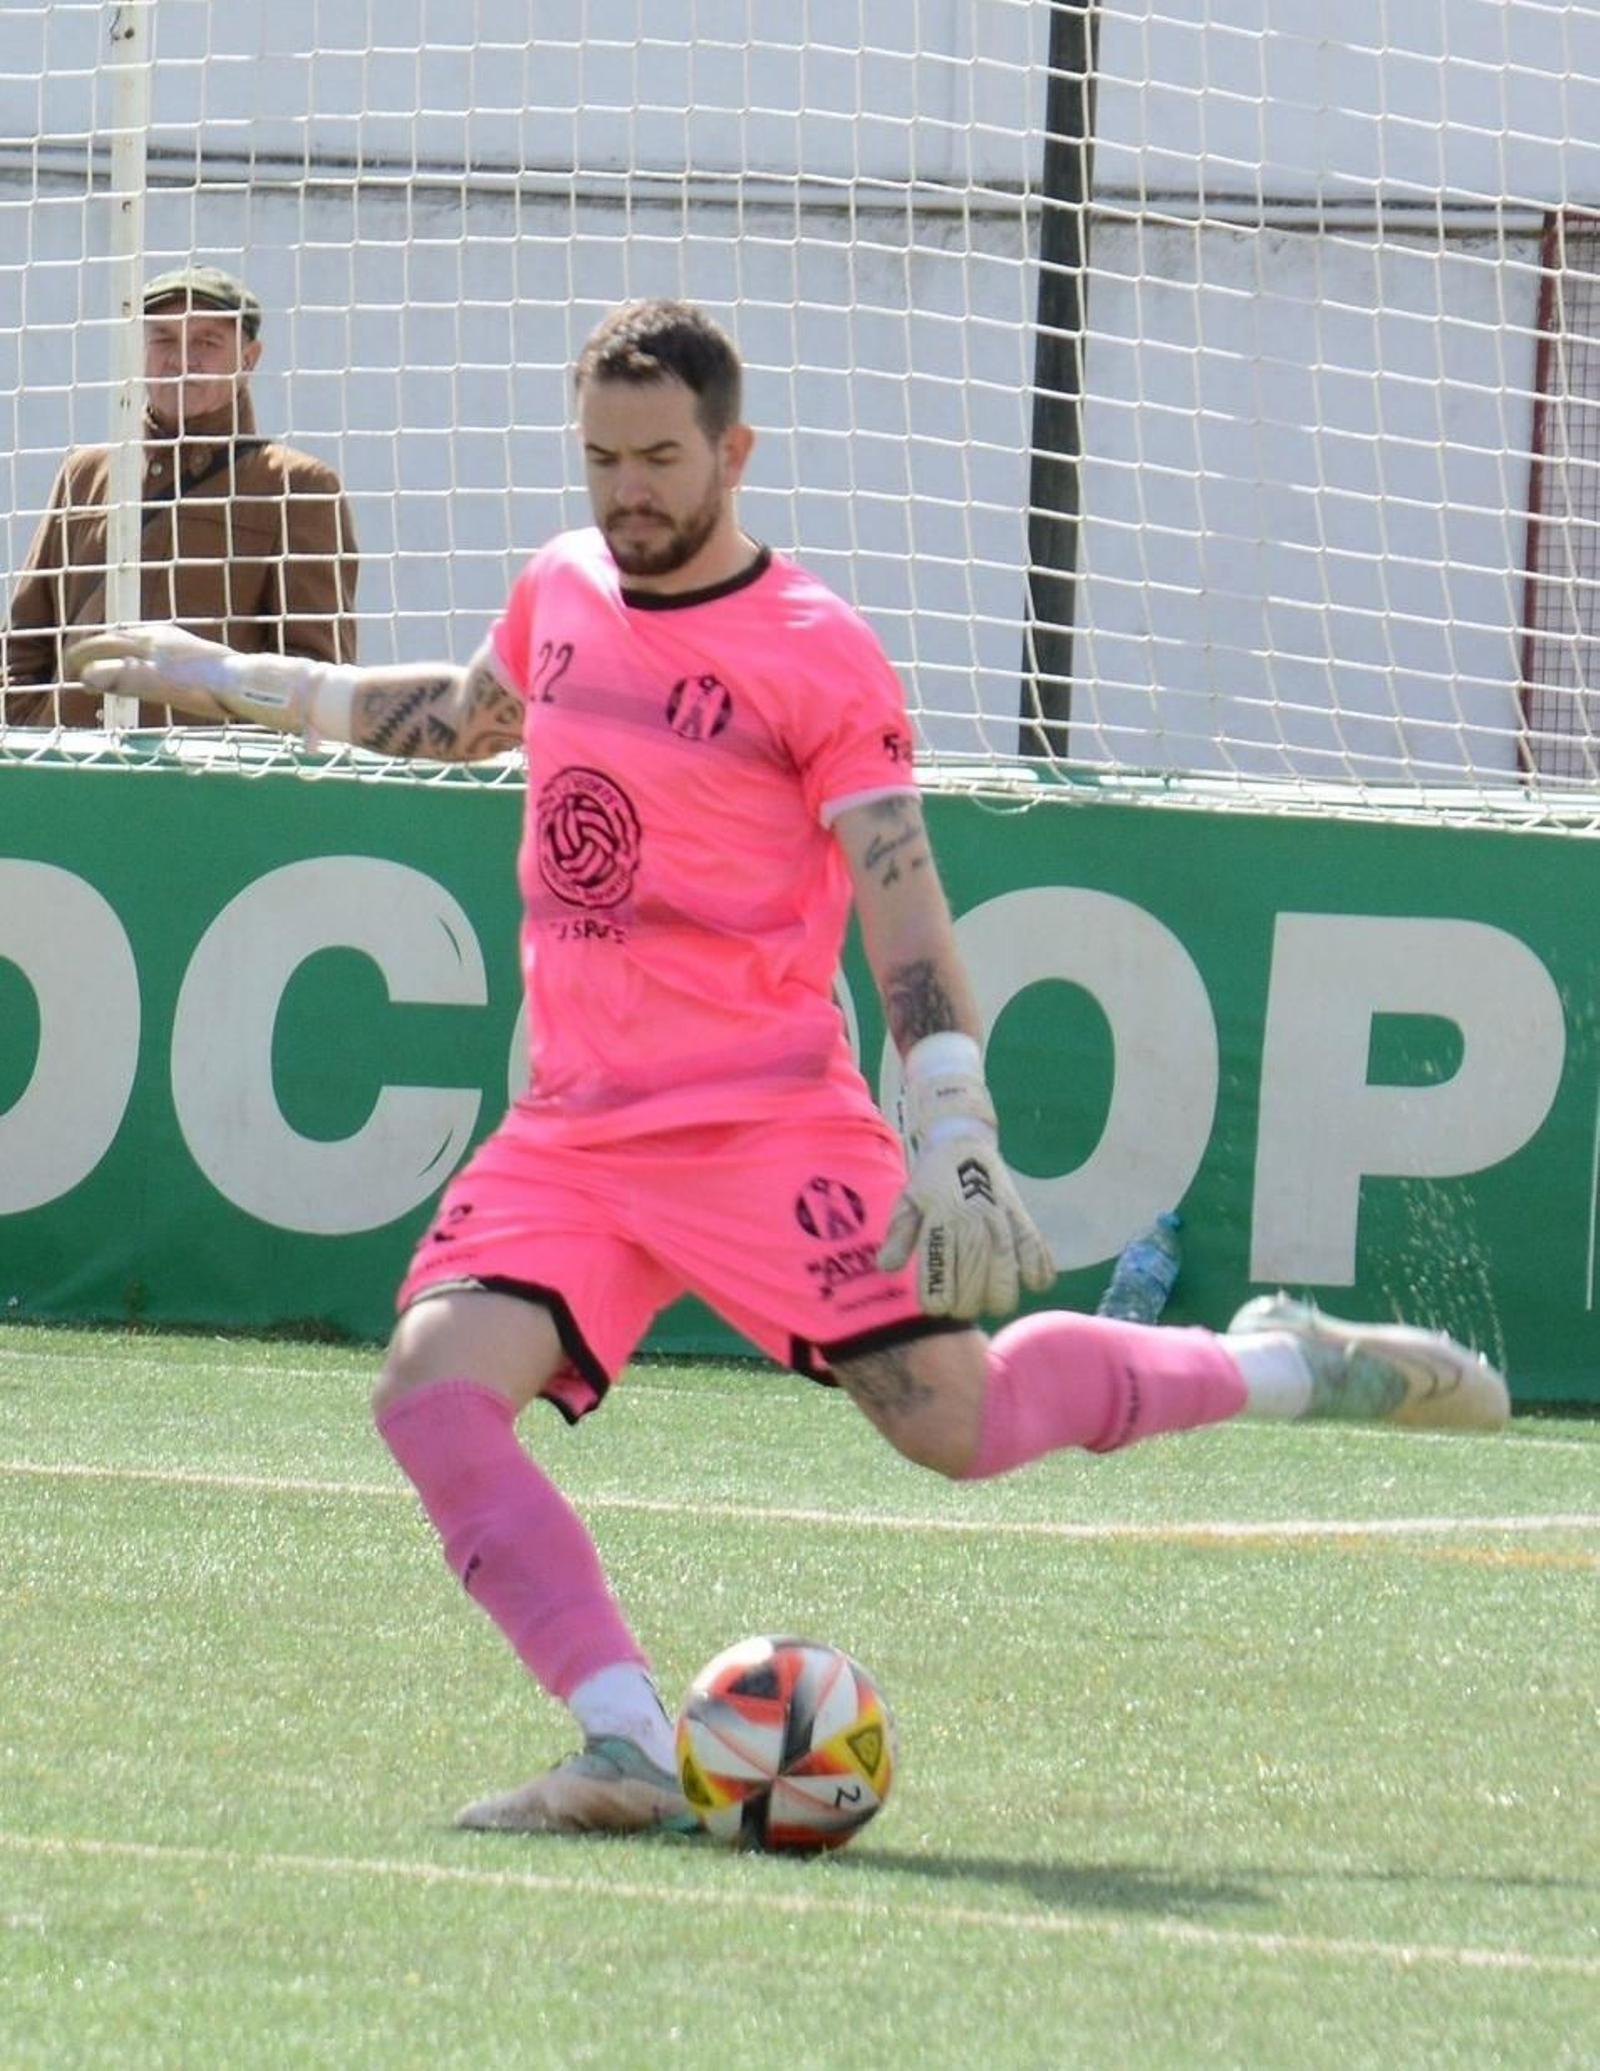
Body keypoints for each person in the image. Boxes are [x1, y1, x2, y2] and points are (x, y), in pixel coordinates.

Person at [67, 297, 1510, 1838]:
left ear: (732, 451)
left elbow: (900, 888)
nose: (629, 490)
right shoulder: (559, 585)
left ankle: (1286, 1359)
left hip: (764, 1123)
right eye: (604, 458)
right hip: (574, 1136)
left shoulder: (814, 653)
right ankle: (621, 1742)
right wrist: (235, 670)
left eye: (661, 460)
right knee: (429, 1392)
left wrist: (952, 1112)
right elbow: (460, 720)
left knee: (960, 1423)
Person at [2, 263, 358, 726]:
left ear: (249, 359)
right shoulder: (85, 473)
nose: (181, 359)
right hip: (73, 773)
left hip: (210, 786)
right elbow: (25, 641)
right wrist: (35, 726)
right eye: (163, 339)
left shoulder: (298, 487)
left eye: (207, 343)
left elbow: (316, 671)